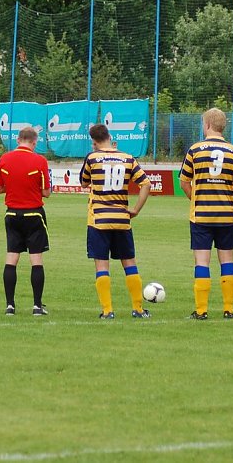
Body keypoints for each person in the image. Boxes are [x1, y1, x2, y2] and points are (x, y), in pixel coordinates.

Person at [79, 123, 151, 320]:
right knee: (129, 264)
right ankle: (138, 309)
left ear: (94, 141)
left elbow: (84, 182)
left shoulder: (92, 158)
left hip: (99, 220)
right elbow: (146, 184)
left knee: (102, 266)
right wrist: (135, 209)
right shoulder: (128, 158)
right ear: (109, 136)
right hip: (122, 219)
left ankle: (108, 310)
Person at [179, 108, 233, 320]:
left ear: (207, 125)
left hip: (201, 215)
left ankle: (201, 311)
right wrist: (224, 195)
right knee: (227, 260)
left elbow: (183, 182)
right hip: (226, 214)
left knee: (202, 261)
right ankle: (229, 309)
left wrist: (196, 198)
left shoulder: (195, 150)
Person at [0, 126, 51, 316]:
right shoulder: (40, 160)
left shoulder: (5, 159)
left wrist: (12, 187)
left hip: (12, 215)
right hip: (33, 215)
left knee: (12, 258)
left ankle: (10, 305)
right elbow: (46, 193)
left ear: (18, 140)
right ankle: (36, 306)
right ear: (34, 142)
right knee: (36, 260)